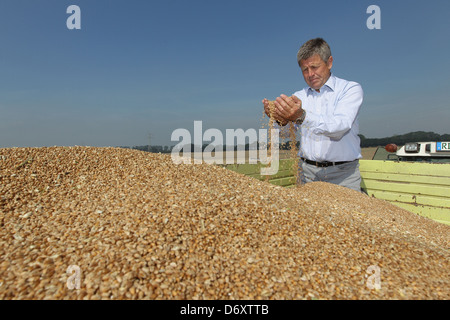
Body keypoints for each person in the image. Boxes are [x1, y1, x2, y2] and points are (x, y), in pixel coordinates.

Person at [262, 38, 364, 192]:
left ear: (329, 62)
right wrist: (279, 119)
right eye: (305, 69)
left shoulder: (349, 89)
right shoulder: (298, 96)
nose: (310, 74)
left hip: (344, 175)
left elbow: (340, 127)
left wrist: (301, 116)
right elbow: (287, 134)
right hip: (307, 173)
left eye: (314, 67)